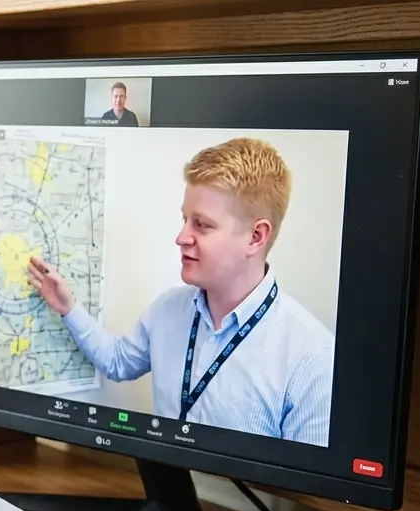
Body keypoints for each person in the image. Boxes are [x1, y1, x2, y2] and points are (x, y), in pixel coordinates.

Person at [26, 137, 335, 447]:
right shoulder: (168, 309)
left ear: (256, 237)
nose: (181, 237)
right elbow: (118, 361)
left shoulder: (312, 358)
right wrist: (68, 307)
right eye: (184, 219)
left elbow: (309, 476)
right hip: (163, 479)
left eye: (202, 225)